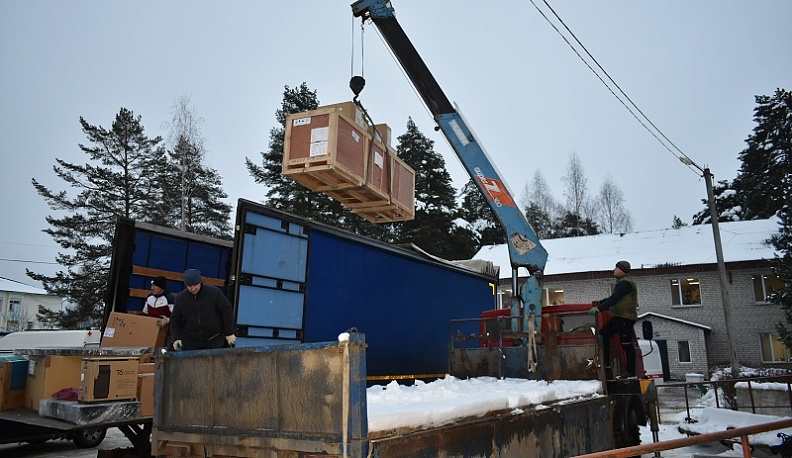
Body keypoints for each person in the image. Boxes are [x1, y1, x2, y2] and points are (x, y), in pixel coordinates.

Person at [589, 260, 638, 378]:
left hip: (625, 317)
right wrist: (600, 302)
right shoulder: (622, 282)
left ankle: (631, 373)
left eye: (616, 268)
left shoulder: (625, 283)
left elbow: (615, 298)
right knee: (603, 334)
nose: (614, 270)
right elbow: (614, 298)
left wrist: (599, 308)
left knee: (627, 345)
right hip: (618, 317)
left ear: (622, 270)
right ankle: (606, 363)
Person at [170, 269, 236, 351]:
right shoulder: (181, 298)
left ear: (200, 282)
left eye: (195, 285)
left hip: (214, 339)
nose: (193, 289)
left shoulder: (214, 293)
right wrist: (176, 338)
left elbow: (226, 312)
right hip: (190, 341)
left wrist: (229, 333)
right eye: (189, 286)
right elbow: (175, 319)